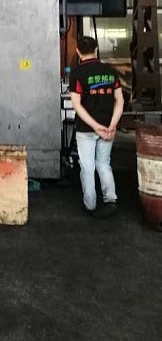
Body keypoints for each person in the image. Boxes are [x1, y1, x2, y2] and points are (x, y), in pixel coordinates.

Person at [69, 36, 124, 217]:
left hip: (86, 129)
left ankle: (90, 204)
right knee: (104, 163)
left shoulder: (77, 73)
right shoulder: (110, 71)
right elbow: (119, 101)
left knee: (87, 166)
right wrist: (112, 125)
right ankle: (110, 199)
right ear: (96, 50)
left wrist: (94, 126)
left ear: (78, 52)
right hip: (108, 127)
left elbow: (77, 105)